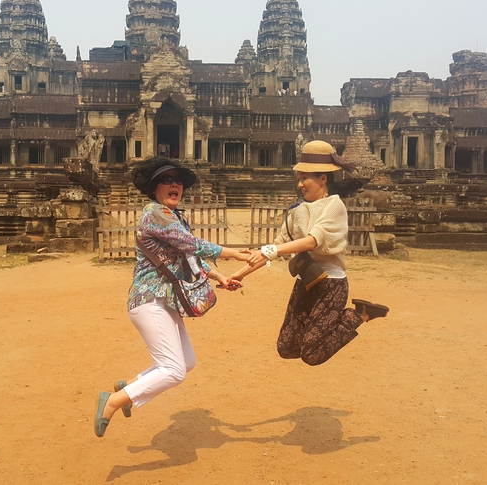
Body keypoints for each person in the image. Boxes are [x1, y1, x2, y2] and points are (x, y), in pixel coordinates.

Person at [94, 157, 248, 438]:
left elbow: (188, 257)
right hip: (149, 298)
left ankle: (127, 386)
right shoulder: (154, 214)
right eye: (167, 180)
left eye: (177, 180)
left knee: (186, 362)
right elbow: (194, 244)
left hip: (166, 301)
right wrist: (232, 252)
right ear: (154, 188)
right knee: (175, 370)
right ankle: (114, 401)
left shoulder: (175, 217)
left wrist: (220, 277)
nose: (175, 184)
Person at [231, 140, 389, 366]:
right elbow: (277, 246)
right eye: (299, 178)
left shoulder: (334, 206)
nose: (300, 184)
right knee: (286, 347)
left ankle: (360, 314)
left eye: (305, 178)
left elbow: (311, 241)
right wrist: (240, 274)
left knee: (312, 354)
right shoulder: (296, 210)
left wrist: (271, 251)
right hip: (306, 282)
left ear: (323, 178)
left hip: (331, 285)